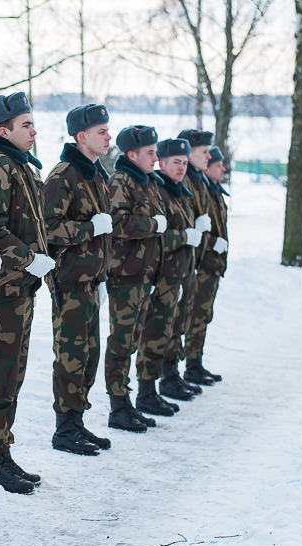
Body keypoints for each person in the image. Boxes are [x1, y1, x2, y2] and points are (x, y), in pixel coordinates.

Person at [0, 92, 56, 493]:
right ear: (3, 130)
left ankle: (1, 450)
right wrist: (27, 259)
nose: (34, 131)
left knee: (12, 373)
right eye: (26, 125)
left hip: (21, 287)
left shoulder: (21, 166)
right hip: (5, 288)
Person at [41, 104, 114, 455]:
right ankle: (64, 428)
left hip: (90, 281)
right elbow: (48, 229)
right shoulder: (64, 175)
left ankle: (77, 422)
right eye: (102, 131)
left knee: (90, 354)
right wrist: (89, 228)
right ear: (82, 136)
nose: (108, 137)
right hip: (68, 283)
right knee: (70, 355)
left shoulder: (95, 174)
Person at [104, 125, 166, 433]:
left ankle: (129, 402)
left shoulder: (146, 181)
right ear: (132, 154)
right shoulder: (121, 181)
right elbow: (117, 223)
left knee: (134, 339)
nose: (156, 158)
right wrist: (154, 224)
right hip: (125, 275)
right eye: (151, 153)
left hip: (142, 274)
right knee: (121, 342)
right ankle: (118, 406)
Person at [134, 138, 200, 417]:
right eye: (176, 162)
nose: (182, 167)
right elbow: (158, 234)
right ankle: (147, 392)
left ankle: (170, 377)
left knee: (174, 329)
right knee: (155, 332)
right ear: (162, 163)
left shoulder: (180, 191)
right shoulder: (160, 190)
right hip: (161, 274)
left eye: (185, 163)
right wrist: (185, 236)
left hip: (178, 274)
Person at [161, 129, 215, 397]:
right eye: (203, 151)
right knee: (172, 322)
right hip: (175, 264)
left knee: (185, 318)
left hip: (191, 262)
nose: (209, 155)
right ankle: (170, 376)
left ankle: (183, 370)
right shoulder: (182, 180)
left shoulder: (196, 179)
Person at [185, 146, 230, 383]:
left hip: (213, 264)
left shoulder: (214, 191)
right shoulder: (200, 189)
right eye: (218, 165)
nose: (223, 169)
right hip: (202, 263)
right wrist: (213, 243)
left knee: (204, 315)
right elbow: (192, 225)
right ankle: (190, 365)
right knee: (196, 315)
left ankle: (196, 362)